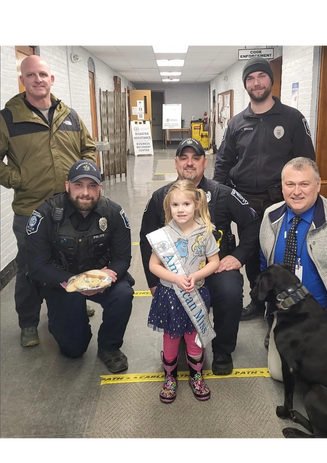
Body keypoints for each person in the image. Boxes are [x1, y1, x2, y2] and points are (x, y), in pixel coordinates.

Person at [140, 138, 261, 376]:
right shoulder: (161, 197)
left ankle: (223, 351)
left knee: (229, 291)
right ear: (175, 163)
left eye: (195, 158)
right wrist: (153, 283)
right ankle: (185, 336)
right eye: (184, 158)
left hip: (213, 267)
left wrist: (238, 257)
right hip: (174, 273)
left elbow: (253, 223)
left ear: (205, 163)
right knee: (177, 326)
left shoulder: (223, 193)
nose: (189, 163)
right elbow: (147, 238)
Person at [0, 55, 97, 348]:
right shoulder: (8, 118)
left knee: (72, 260)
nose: (38, 79)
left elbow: (88, 148)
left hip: (70, 207)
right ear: (23, 80)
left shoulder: (70, 115)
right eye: (31, 75)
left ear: (51, 79)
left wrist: (83, 180)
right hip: (31, 209)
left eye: (43, 74)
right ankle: (29, 322)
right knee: (30, 266)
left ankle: (75, 304)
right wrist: (19, 179)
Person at [213, 57, 316, 323]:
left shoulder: (292, 119)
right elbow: (223, 163)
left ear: (271, 80)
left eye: (261, 76)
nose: (256, 83)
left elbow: (306, 162)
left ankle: (283, 303)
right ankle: (258, 301)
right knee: (250, 253)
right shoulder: (236, 123)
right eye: (250, 78)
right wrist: (219, 198)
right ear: (245, 84)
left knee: (282, 252)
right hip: (245, 202)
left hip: (281, 201)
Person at [259, 157, 327, 381]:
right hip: (291, 313)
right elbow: (265, 266)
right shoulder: (270, 217)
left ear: (318, 185)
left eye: (304, 184)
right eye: (290, 184)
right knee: (279, 373)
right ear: (282, 186)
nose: (296, 191)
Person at [24, 160, 135, 373]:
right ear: (67, 186)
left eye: (92, 186)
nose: (85, 192)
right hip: (62, 282)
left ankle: (109, 347)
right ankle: (67, 324)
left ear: (100, 188)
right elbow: (37, 266)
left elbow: (123, 258)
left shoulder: (113, 213)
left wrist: (108, 278)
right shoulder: (45, 214)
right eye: (78, 185)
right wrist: (76, 284)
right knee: (74, 350)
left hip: (98, 278)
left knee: (123, 293)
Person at [146, 179, 220, 402]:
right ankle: (170, 376)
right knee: (171, 337)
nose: (180, 210)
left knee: (194, 337)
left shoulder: (205, 232)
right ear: (169, 207)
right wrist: (176, 278)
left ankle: (196, 374)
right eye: (175, 205)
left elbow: (214, 262)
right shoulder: (163, 234)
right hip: (170, 295)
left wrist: (196, 276)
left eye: (186, 204)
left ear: (196, 204)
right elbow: (153, 266)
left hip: (195, 294)